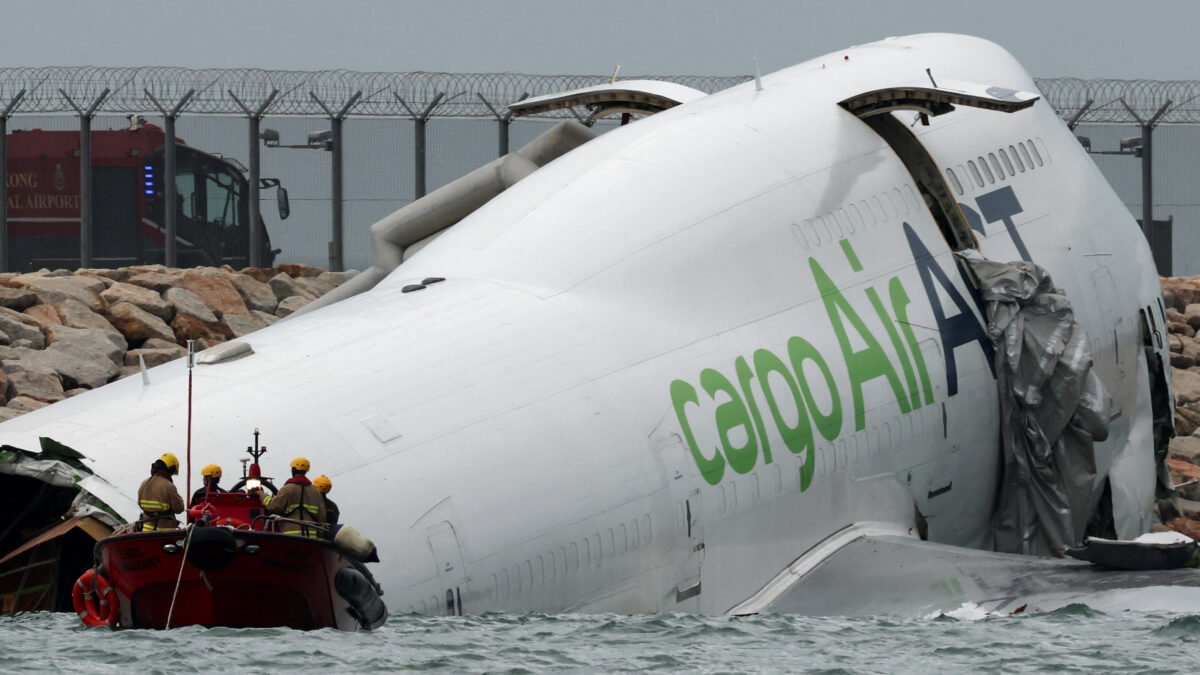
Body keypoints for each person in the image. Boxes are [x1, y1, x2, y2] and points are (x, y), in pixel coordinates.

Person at [251, 457, 326, 537]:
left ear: (293, 470)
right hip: (311, 537)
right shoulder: (316, 491)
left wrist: (262, 494)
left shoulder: (288, 488)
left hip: (291, 536)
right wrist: (320, 535)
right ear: (306, 470)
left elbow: (273, 506)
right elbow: (322, 517)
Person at [137, 452, 185, 531]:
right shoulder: (169, 486)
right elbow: (179, 509)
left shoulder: (144, 483)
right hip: (165, 532)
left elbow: (140, 503)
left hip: (146, 530)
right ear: (170, 469)